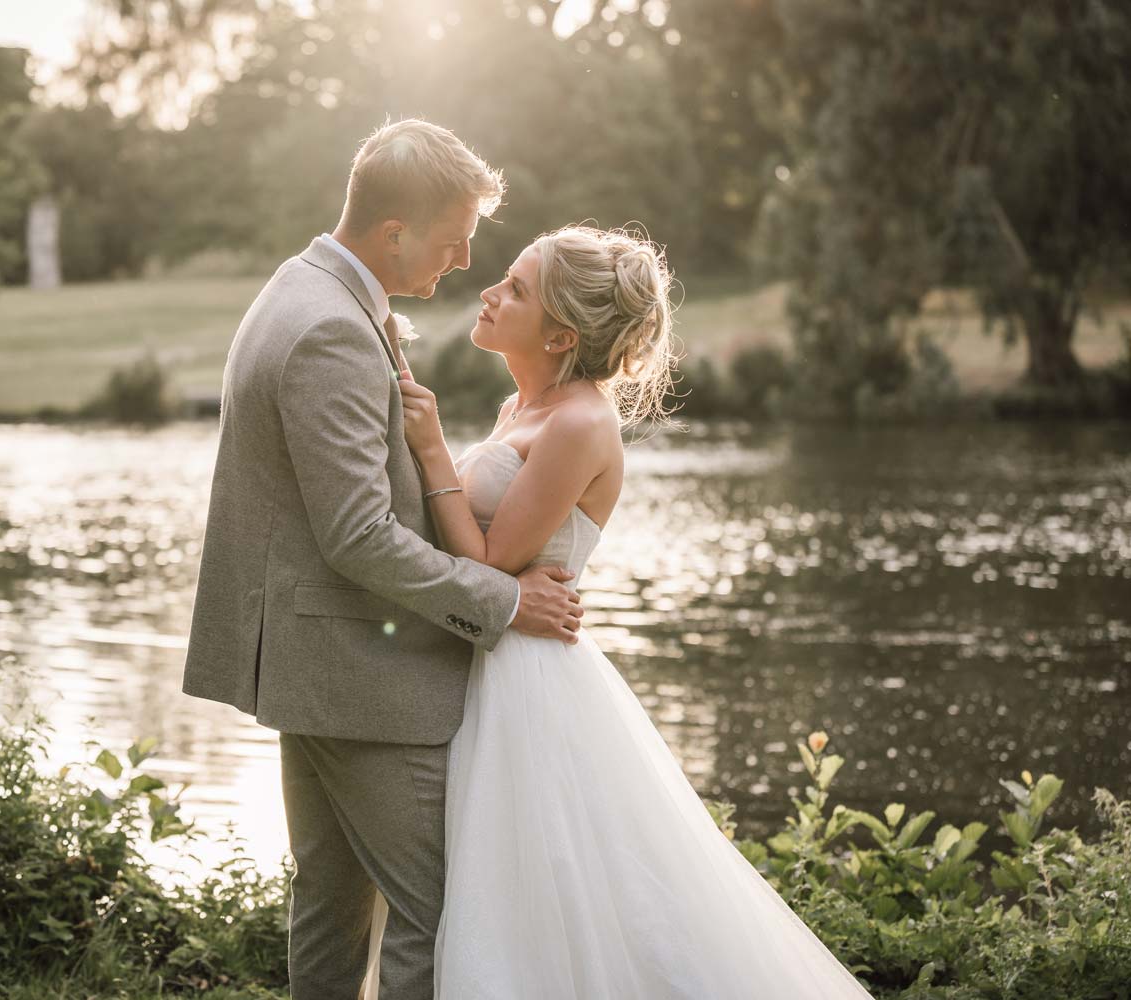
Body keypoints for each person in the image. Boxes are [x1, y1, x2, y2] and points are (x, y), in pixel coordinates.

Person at [382, 224, 877, 998]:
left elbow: (487, 564)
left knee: (552, 889)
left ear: (559, 335)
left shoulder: (581, 422)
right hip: (492, 657)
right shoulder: (521, 404)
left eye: (514, 287)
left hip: (531, 681)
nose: (488, 291)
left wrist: (433, 448)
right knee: (506, 884)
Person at [180, 119, 584, 1000]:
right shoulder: (330, 326)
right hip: (361, 677)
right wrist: (505, 600)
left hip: (317, 663)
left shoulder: (306, 290)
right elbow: (357, 534)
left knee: (330, 908)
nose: (466, 260)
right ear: (394, 231)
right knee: (440, 915)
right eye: (452, 240)